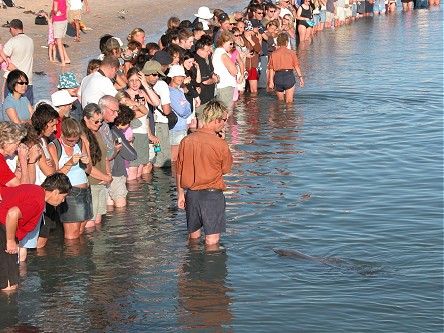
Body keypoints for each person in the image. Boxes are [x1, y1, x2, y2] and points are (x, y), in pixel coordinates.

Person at [0, 172, 72, 291]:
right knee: (9, 286)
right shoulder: (38, 201)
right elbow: (12, 213)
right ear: (55, 192)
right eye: (63, 197)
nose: (63, 201)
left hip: (4, 229)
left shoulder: (32, 189)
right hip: (3, 231)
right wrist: (10, 240)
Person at [176, 99, 233, 246]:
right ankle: (211, 268)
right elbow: (226, 169)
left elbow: (179, 170)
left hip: (192, 195)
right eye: (224, 120)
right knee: (212, 242)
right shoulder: (220, 144)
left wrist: (181, 194)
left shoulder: (186, 140)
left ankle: (192, 268)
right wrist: (222, 142)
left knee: (193, 239)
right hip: (212, 196)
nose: (225, 123)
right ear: (216, 120)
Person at [48, 117, 92, 239]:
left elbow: (88, 169)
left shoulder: (80, 142)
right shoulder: (54, 146)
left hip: (85, 191)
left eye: (75, 140)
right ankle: (72, 257)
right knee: (72, 235)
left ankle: (81, 256)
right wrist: (70, 162)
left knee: (81, 230)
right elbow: (55, 176)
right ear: (62, 134)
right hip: (70, 193)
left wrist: (86, 162)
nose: (73, 143)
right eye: (70, 141)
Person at [2, 19, 34, 105]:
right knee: (28, 111)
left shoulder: (12, 41)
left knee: (11, 111)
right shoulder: (30, 40)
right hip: (28, 81)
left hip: (13, 82)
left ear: (12, 28)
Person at [268, 33, 304, 104]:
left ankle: (280, 114)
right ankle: (289, 114)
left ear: (278, 42)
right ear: (286, 42)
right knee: (289, 102)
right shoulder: (291, 53)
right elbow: (296, 66)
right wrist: (300, 78)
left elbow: (271, 68)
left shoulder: (274, 54)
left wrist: (271, 81)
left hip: (278, 77)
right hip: (288, 76)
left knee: (280, 101)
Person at [167, 65, 192, 162]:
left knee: (179, 157)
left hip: (182, 127)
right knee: (174, 159)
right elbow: (182, 111)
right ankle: (173, 177)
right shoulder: (170, 91)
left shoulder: (179, 90)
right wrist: (186, 110)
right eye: (178, 76)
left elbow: (188, 108)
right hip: (175, 128)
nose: (181, 78)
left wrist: (186, 110)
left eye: (182, 76)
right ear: (172, 77)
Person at [212, 31, 238, 111]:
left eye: (233, 44)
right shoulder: (223, 54)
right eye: (230, 43)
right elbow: (234, 72)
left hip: (219, 86)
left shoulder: (216, 52)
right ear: (223, 42)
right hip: (225, 86)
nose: (232, 46)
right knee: (225, 112)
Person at [51, 0, 71, 66]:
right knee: (59, 41)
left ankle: (63, 62)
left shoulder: (56, 0)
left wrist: (56, 12)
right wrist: (64, 13)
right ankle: (66, 58)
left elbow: (55, 9)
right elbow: (68, 6)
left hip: (58, 22)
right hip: (64, 20)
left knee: (58, 43)